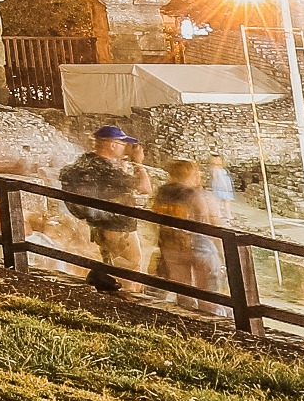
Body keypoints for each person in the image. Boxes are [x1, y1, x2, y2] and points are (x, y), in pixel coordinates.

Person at [57, 125, 146, 293]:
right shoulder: (106, 170)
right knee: (129, 271)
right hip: (118, 228)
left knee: (111, 268)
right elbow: (144, 187)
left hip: (99, 226)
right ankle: (127, 306)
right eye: (123, 143)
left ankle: (103, 286)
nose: (126, 148)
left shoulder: (85, 161)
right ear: (112, 144)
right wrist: (138, 163)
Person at [149, 161, 223, 307]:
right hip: (199, 246)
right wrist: (221, 250)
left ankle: (188, 320)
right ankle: (209, 322)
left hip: (171, 245)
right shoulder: (197, 194)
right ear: (192, 174)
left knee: (183, 291)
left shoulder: (162, 193)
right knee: (208, 294)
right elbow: (210, 222)